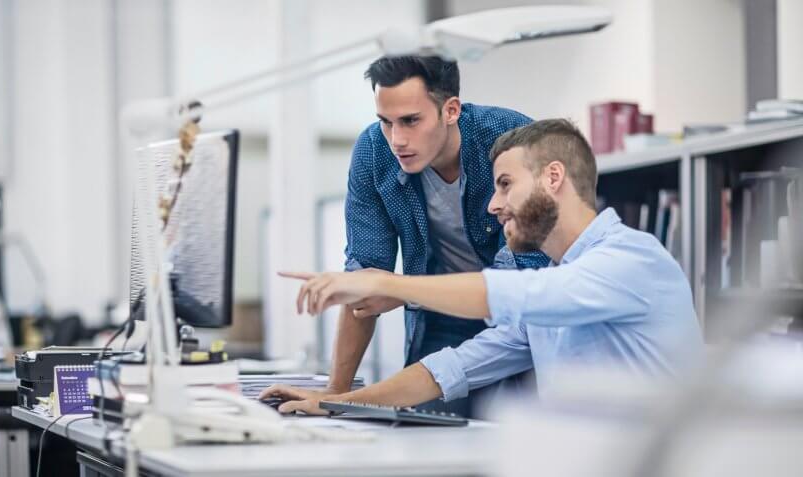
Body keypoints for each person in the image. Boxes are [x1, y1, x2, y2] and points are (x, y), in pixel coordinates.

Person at [263, 119, 705, 414]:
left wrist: (387, 283)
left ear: (553, 178)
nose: (494, 204)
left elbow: (510, 294)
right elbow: (452, 369)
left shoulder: (631, 260)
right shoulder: (558, 286)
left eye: (505, 185)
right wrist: (337, 402)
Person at [329, 55, 549, 416]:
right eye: (386, 122)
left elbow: (521, 285)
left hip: (520, 315)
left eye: (411, 121)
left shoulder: (511, 140)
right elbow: (365, 280)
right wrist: (333, 397)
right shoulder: (373, 151)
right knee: (425, 425)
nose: (397, 139)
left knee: (516, 428)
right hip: (439, 313)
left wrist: (401, 292)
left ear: (450, 110)